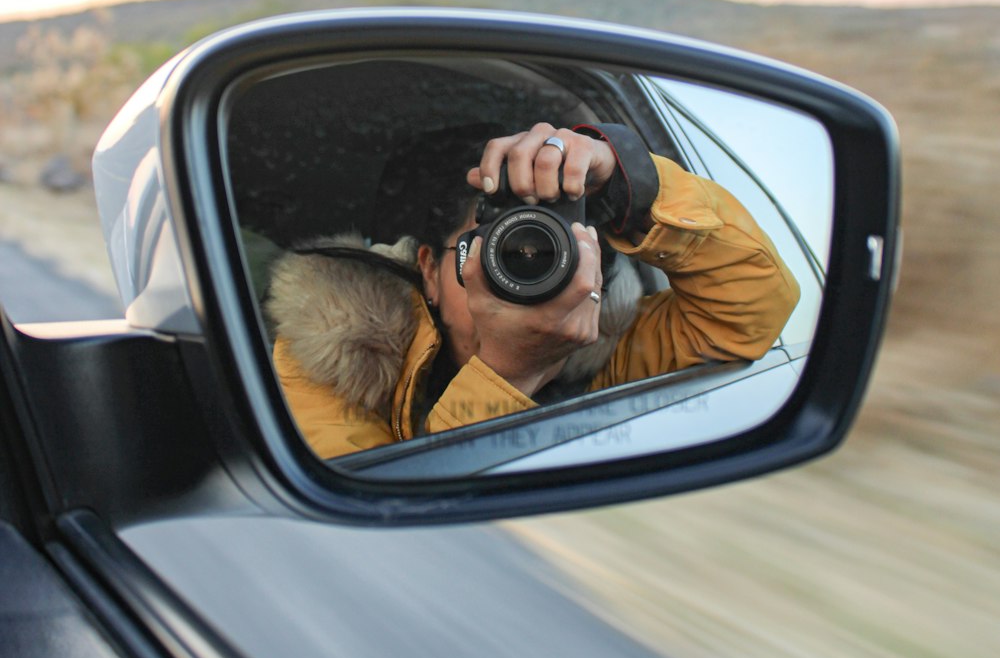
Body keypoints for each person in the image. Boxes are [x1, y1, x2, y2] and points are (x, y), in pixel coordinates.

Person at [266, 122, 801, 459]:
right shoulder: (337, 352)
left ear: (588, 267)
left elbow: (751, 311)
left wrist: (627, 180)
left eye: (547, 254)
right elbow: (361, 497)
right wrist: (510, 372)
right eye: (486, 247)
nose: (516, 271)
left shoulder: (604, 351)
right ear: (428, 269)